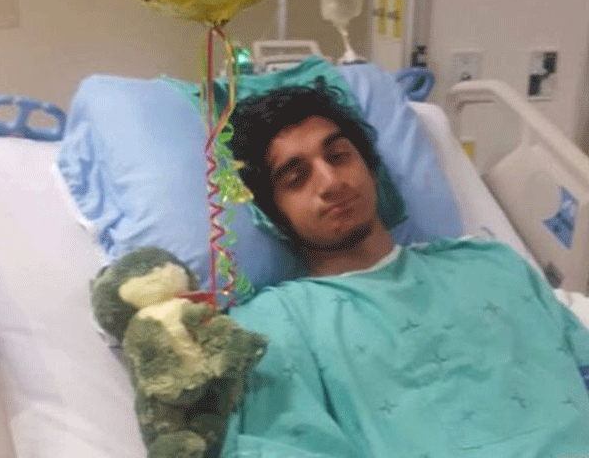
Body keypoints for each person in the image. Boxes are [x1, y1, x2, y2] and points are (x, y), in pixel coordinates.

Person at [219, 79, 589, 458]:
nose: (330, 182)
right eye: (297, 178)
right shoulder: (273, 325)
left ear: (371, 168)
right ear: (273, 215)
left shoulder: (492, 263)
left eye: (339, 156)